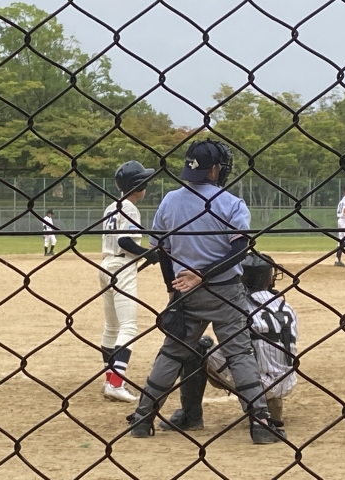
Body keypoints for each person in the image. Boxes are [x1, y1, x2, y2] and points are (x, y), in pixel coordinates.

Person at [128, 139, 282, 444]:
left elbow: (162, 251)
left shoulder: (170, 201)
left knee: (172, 353)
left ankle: (143, 418)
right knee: (239, 353)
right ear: (213, 170)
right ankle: (261, 423)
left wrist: (173, 289)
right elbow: (239, 250)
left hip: (185, 291)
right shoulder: (231, 202)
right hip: (225, 291)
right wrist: (204, 274)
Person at [159, 252, 298, 438]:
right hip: (287, 381)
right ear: (269, 278)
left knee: (197, 345)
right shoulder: (285, 306)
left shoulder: (235, 305)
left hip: (256, 382)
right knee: (257, 347)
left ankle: (191, 416)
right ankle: (270, 403)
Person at [100, 160, 159, 402]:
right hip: (122, 266)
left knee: (111, 326)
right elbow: (125, 241)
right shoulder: (131, 208)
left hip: (106, 264)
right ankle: (116, 383)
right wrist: (149, 254)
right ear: (138, 184)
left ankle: (110, 379)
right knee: (128, 327)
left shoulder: (111, 207)